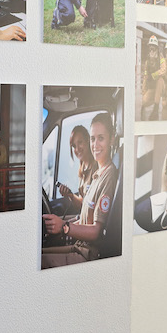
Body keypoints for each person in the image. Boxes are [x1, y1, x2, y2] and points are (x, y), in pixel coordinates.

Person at [42, 113, 119, 267]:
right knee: (40, 253)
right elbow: (86, 216)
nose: (95, 145)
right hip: (80, 246)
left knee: (40, 261)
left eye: (101, 138)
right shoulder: (98, 174)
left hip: (88, 253)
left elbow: (96, 231)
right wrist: (62, 225)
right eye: (93, 139)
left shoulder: (108, 176)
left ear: (111, 140)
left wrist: (64, 227)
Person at [55, 125, 97, 215]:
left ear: (87, 140)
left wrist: (70, 221)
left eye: (80, 142)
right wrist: (70, 195)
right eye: (74, 146)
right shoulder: (82, 169)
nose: (77, 149)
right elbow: (82, 203)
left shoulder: (96, 167)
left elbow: (92, 209)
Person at [141, 35, 165, 120]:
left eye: (153, 47)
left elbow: (163, 69)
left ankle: (156, 109)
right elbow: (145, 76)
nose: (151, 49)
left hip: (160, 85)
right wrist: (144, 91)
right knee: (144, 102)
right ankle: (152, 101)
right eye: (150, 47)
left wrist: (154, 75)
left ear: (156, 48)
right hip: (151, 86)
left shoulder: (161, 57)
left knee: (160, 80)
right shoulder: (147, 60)